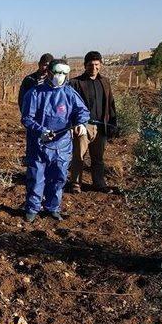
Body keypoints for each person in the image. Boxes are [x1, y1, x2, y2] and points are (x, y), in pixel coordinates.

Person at [21, 59, 90, 222]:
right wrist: (41, 131)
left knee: (58, 178)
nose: (61, 76)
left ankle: (53, 207)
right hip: (39, 145)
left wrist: (81, 123)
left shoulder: (70, 93)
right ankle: (32, 208)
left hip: (62, 145)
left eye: (65, 73)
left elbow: (82, 111)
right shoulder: (35, 93)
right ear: (49, 73)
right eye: (58, 73)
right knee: (36, 177)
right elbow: (27, 118)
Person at [68, 51, 118, 194]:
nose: (94, 68)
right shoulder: (75, 83)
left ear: (101, 65)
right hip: (83, 126)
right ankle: (76, 183)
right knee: (79, 156)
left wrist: (113, 123)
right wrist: (74, 125)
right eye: (90, 65)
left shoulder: (105, 82)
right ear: (85, 65)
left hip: (101, 126)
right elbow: (71, 106)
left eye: (97, 64)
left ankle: (99, 183)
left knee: (98, 158)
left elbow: (111, 104)